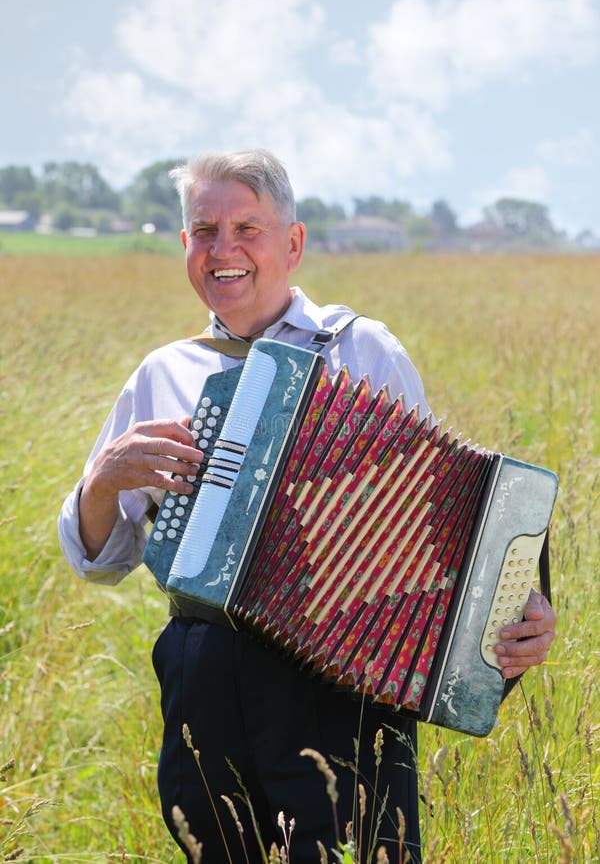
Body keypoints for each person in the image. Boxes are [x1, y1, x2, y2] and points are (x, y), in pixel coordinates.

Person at [59, 149, 557, 863]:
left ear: (291, 244)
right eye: (204, 231)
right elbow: (97, 558)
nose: (223, 250)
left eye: (246, 229)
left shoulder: (362, 349)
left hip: (344, 683)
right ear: (184, 246)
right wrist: (101, 483)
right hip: (207, 681)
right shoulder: (165, 372)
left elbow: (441, 517)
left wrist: (516, 611)